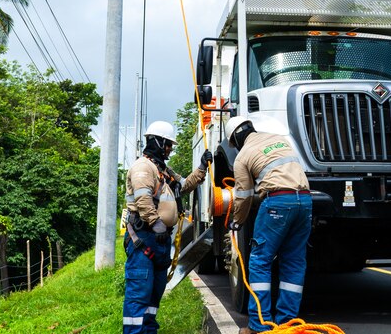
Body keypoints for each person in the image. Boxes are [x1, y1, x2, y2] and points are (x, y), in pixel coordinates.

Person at [122, 120, 213, 334]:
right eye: (168, 144)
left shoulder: (163, 170)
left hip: (159, 241)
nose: (170, 149)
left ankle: (148, 331)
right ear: (157, 142)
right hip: (144, 239)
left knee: (154, 295)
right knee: (139, 294)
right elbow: (143, 199)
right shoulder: (143, 167)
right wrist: (156, 224)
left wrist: (201, 169)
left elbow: (184, 186)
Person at [227, 116, 311, 334]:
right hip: (305, 200)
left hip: (277, 202)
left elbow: (244, 195)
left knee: (260, 260)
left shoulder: (243, 156)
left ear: (236, 138)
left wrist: (237, 221)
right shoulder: (278, 139)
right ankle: (287, 325)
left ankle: (259, 326)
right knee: (294, 262)